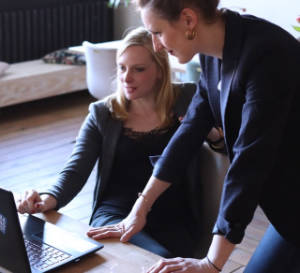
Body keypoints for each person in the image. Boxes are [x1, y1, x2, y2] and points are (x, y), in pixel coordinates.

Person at [90, 1, 300, 273]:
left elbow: (249, 164)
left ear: (188, 19)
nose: (156, 46)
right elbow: (189, 130)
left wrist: (211, 264)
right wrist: (140, 209)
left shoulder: (266, 54)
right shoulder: (215, 54)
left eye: (158, 32)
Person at [17, 26, 223, 258]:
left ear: (160, 71)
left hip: (173, 217)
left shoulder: (188, 97)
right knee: (148, 259)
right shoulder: (103, 113)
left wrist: (211, 133)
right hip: (116, 214)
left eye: (138, 69)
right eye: (122, 68)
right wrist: (46, 199)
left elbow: (225, 147)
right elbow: (75, 170)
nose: (126, 77)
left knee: (160, 258)